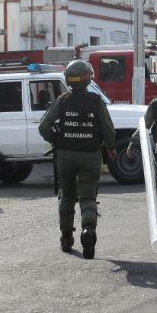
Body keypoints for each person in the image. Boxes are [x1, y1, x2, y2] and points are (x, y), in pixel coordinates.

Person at [38, 60, 116, 259]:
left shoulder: (62, 100)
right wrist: (111, 149)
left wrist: (57, 139)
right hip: (91, 156)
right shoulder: (97, 101)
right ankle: (88, 230)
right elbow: (108, 129)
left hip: (65, 156)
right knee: (88, 197)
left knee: (67, 197)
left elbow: (43, 127)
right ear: (88, 78)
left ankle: (66, 238)